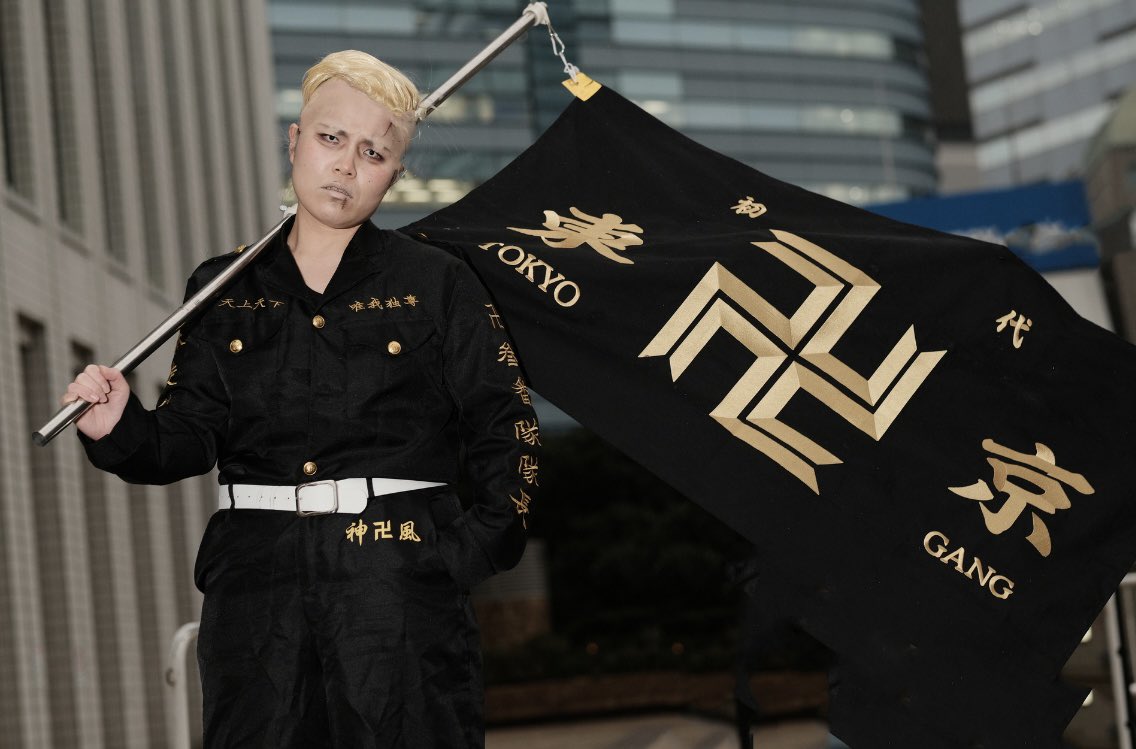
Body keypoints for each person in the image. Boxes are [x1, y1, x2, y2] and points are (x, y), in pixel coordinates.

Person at [63, 50, 538, 748]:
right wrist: (120, 426)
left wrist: (458, 557)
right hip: (256, 593)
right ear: (294, 141)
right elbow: (189, 435)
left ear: (395, 173)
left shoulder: (438, 281)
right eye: (330, 138)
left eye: (373, 152)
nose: (346, 165)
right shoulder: (222, 285)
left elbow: (507, 425)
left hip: (396, 585)